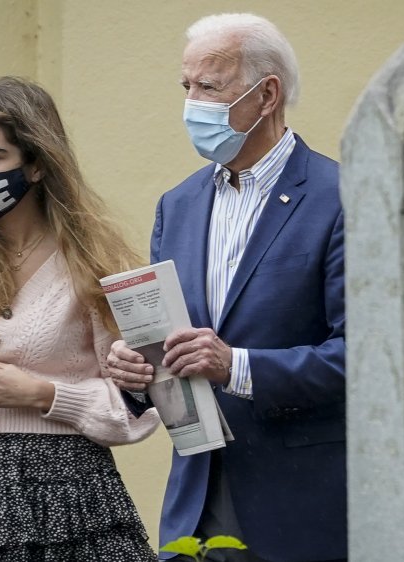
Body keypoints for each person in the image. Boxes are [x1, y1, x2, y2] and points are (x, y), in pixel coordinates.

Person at [108, 13, 347, 562]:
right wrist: (137, 373)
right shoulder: (178, 205)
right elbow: (171, 345)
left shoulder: (339, 197)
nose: (192, 103)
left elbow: (364, 359)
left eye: (209, 86)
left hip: (302, 511)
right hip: (196, 505)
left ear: (266, 96)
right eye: (186, 86)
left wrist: (235, 365)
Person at [0, 76, 161, 561]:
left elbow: (136, 408)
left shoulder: (96, 261)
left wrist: (45, 395)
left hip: (76, 501)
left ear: (36, 165)